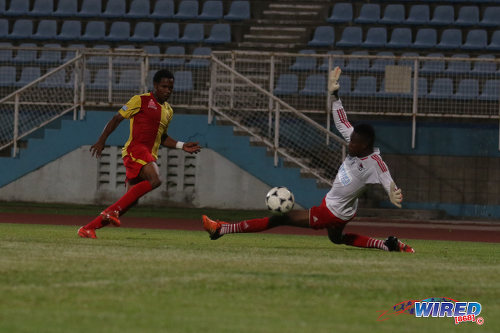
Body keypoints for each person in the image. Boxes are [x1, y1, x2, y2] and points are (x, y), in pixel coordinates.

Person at [202, 67, 414, 253]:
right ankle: (388, 245)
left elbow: (386, 177)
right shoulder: (355, 142)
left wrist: (392, 192)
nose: (350, 144)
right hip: (340, 207)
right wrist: (334, 95)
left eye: (355, 143)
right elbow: (341, 121)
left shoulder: (374, 162)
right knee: (337, 239)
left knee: (281, 218)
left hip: (332, 212)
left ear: (365, 146)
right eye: (351, 141)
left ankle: (222, 229)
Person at [78, 69, 201, 238]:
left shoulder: (168, 111)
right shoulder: (140, 100)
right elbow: (116, 119)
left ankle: (88, 228)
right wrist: (102, 140)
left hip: (147, 155)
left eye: (171, 87)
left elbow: (162, 137)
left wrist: (181, 145)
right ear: (156, 85)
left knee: (131, 200)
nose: (168, 90)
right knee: (155, 179)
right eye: (164, 86)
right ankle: (111, 212)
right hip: (135, 150)